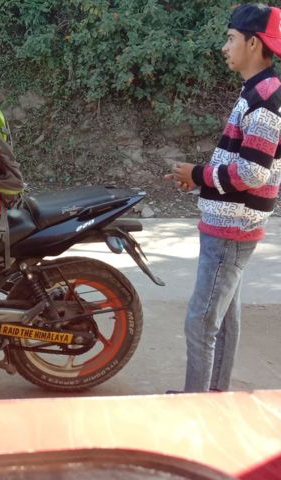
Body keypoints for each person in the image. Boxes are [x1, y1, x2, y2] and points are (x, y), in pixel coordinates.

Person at [165, 3, 281, 393]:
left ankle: (197, 404)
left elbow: (251, 173)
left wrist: (198, 174)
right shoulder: (259, 92)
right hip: (234, 223)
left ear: (254, 43)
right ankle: (213, 397)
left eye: (231, 39)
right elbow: (241, 166)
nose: (224, 47)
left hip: (232, 228)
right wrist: (201, 182)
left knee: (200, 322)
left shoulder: (265, 101)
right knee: (225, 318)